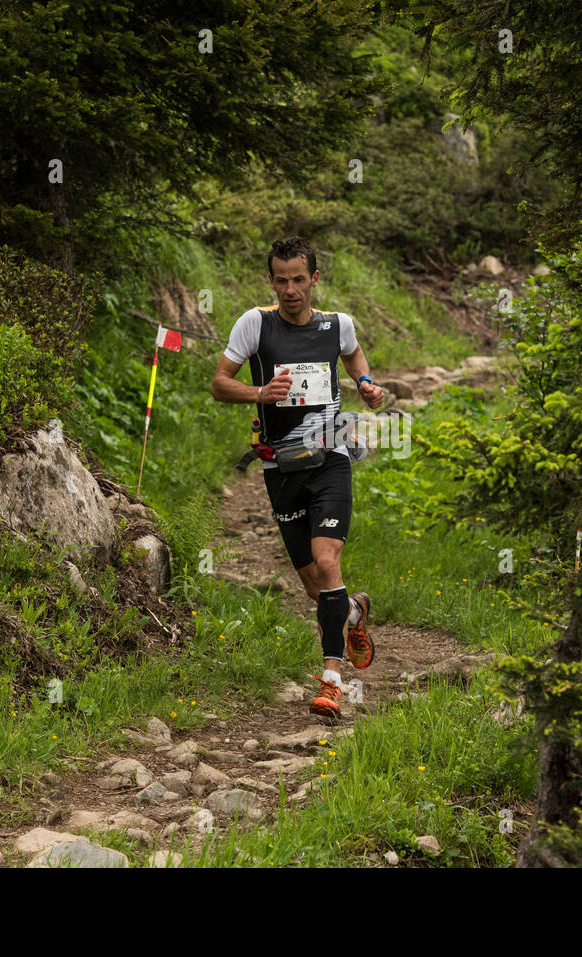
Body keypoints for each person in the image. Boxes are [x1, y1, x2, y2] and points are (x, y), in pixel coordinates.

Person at [210, 236, 385, 719]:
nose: (290, 289)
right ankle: (352, 612)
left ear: (315, 279)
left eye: (299, 279)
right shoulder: (255, 324)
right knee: (313, 585)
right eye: (281, 280)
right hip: (280, 465)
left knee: (327, 562)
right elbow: (219, 384)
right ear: (272, 281)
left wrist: (365, 384)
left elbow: (353, 355)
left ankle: (331, 681)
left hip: (331, 455)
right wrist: (259, 393)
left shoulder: (337, 325)